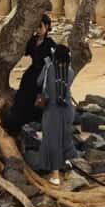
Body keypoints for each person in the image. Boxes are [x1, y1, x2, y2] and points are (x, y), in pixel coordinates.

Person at [4, 14, 56, 135]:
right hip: (30, 75)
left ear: (47, 27)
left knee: (38, 100)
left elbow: (52, 62)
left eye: (40, 27)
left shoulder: (50, 44)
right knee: (22, 98)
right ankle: (17, 124)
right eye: (36, 27)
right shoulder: (32, 40)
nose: (38, 30)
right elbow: (24, 51)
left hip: (43, 75)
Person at [36, 43, 77, 185]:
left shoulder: (48, 68)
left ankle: (55, 175)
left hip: (52, 110)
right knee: (65, 136)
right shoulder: (70, 71)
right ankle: (66, 162)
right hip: (67, 110)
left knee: (52, 139)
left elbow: (40, 82)